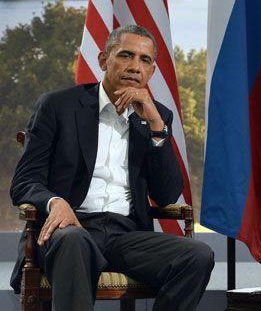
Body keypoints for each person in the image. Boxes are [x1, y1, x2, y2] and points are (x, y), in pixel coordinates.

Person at [10, 25, 215, 311]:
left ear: (152, 71)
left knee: (197, 255)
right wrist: (55, 202)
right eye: (126, 56)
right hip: (68, 229)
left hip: (125, 236)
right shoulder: (58, 106)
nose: (135, 67)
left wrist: (157, 128)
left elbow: (167, 194)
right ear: (104, 60)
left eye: (144, 60)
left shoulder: (156, 117)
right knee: (73, 240)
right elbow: (24, 182)